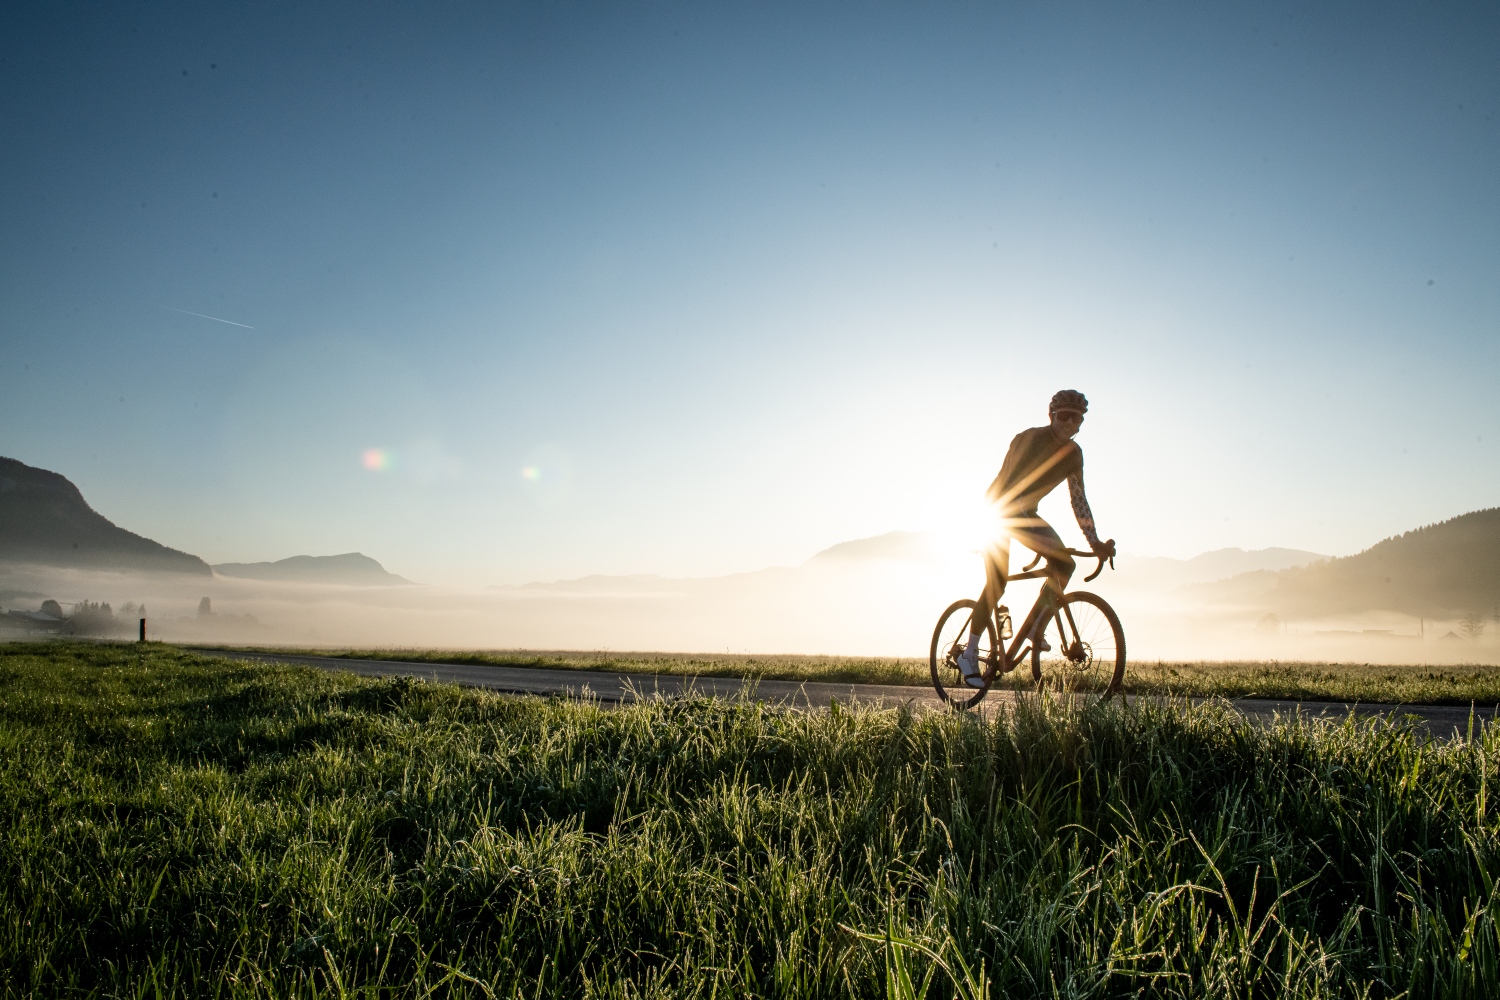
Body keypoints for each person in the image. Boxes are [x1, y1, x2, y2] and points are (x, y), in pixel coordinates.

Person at [955, 389, 1116, 688]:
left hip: (1026, 515)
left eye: (1077, 417)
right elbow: (1009, 483)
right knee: (998, 582)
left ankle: (1034, 630)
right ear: (1051, 416)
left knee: (1065, 566)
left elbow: (1078, 499)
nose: (1070, 422)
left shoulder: (1073, 454)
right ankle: (970, 652)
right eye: (1064, 416)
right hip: (998, 511)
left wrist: (1094, 542)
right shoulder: (1029, 439)